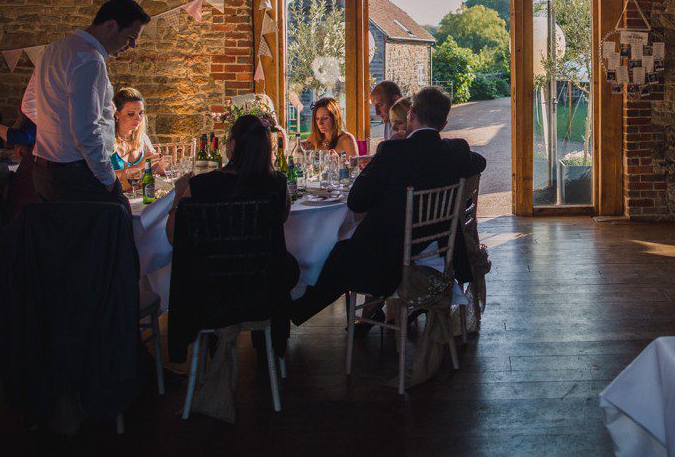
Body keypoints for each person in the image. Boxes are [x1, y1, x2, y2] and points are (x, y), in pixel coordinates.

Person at [291, 86, 487, 325]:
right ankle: (303, 311)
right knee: (344, 252)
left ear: (411, 114)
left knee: (338, 253)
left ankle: (296, 312)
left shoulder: (393, 151)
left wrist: (384, 154)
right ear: (444, 124)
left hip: (390, 257)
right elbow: (480, 162)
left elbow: (356, 201)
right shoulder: (457, 150)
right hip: (438, 247)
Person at [166, 115, 299, 362]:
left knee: (215, 268)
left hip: (210, 293)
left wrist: (177, 196)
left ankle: (215, 346)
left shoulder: (200, 185)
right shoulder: (277, 184)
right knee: (285, 266)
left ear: (233, 145)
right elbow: (281, 219)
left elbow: (174, 237)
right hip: (261, 293)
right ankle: (265, 347)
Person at [24, 0, 149, 206]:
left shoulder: (54, 49)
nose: (133, 46)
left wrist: (57, 133)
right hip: (74, 175)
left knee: (60, 238)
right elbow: (86, 131)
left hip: (43, 170)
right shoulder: (89, 60)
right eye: (129, 38)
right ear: (111, 25)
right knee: (115, 220)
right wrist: (108, 179)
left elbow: (28, 104)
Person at [111, 87, 162, 190]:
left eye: (141, 113)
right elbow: (101, 177)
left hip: (140, 196)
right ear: (117, 115)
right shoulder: (108, 141)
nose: (138, 118)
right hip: (116, 199)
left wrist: (160, 166)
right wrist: (138, 167)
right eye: (131, 114)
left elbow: (152, 168)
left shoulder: (142, 138)